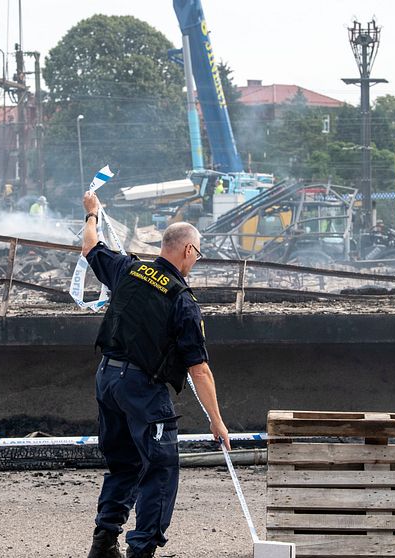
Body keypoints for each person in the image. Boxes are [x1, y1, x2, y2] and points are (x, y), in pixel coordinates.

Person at [81, 190, 229, 558]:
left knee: (124, 464)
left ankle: (103, 543)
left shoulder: (127, 269)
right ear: (188, 251)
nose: (196, 261)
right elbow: (200, 369)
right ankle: (141, 550)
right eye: (198, 254)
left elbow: (89, 248)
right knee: (160, 468)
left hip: (107, 380)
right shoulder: (182, 300)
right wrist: (217, 422)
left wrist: (91, 213)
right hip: (141, 391)